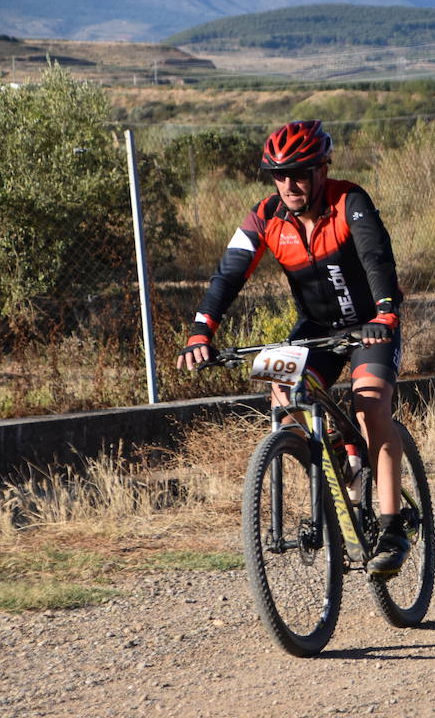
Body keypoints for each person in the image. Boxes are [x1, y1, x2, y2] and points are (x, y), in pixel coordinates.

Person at [175, 120, 411, 577]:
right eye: (279, 175)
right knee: (281, 397)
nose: (289, 184)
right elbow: (229, 274)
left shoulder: (350, 201)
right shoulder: (265, 216)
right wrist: (201, 331)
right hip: (315, 328)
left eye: (299, 173)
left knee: (369, 407)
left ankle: (393, 528)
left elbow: (376, 257)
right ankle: (341, 450)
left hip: (370, 326)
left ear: (322, 169)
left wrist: (385, 312)